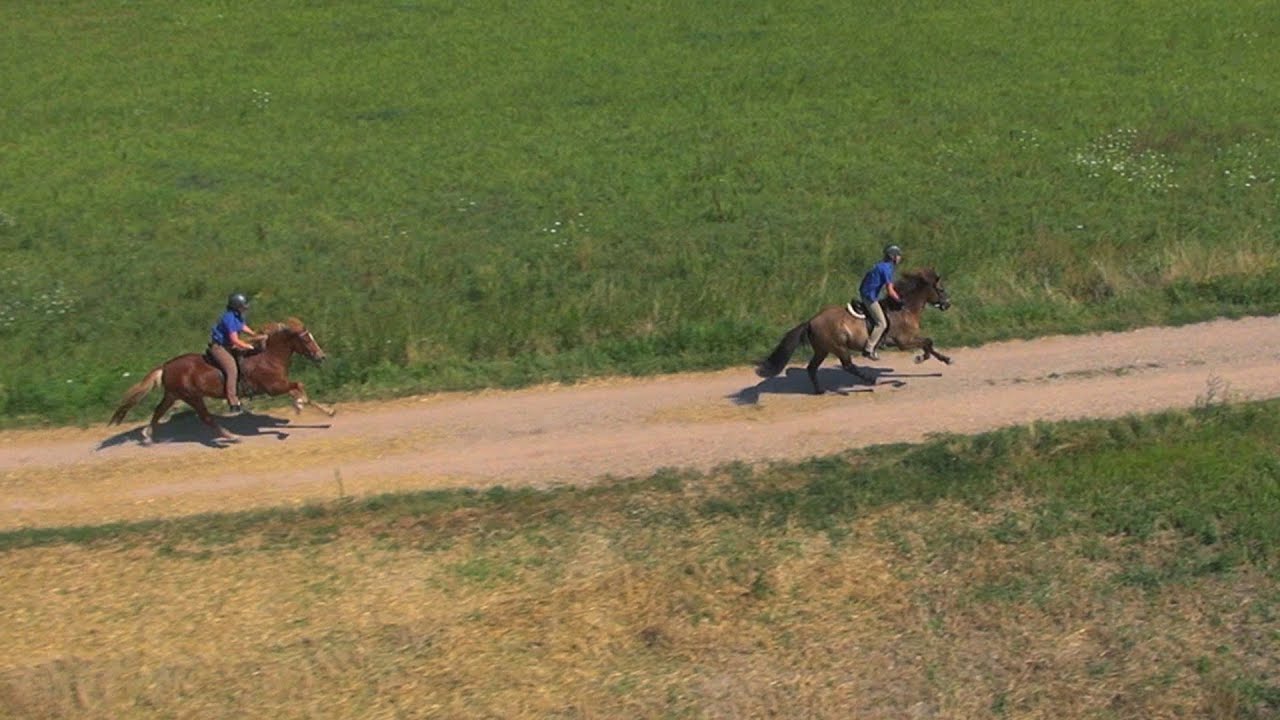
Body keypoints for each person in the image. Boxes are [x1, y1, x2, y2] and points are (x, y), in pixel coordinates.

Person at [209, 292, 261, 415]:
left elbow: (242, 326)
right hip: (220, 347)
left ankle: (246, 389)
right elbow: (234, 339)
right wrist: (248, 345)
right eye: (244, 305)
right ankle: (233, 401)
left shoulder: (237, 315)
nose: (246, 307)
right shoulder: (229, 318)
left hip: (229, 345)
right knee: (232, 369)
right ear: (237, 306)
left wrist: (254, 334)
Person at [858, 244, 903, 361]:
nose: (900, 258)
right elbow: (890, 290)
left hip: (868, 293)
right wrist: (899, 300)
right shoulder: (887, 269)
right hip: (870, 297)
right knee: (882, 323)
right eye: (898, 255)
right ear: (892, 257)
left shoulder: (881, 266)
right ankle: (869, 348)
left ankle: (880, 341)